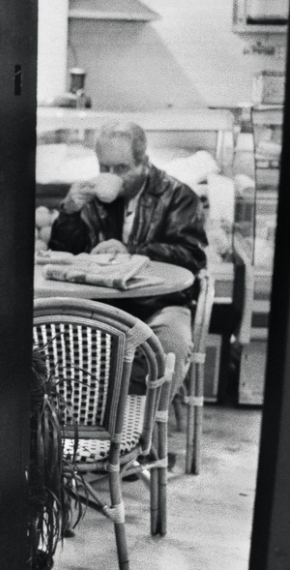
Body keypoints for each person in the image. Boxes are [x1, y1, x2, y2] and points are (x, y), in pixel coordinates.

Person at [45, 120, 208, 397]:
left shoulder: (179, 196)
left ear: (144, 162)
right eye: (104, 167)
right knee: (52, 340)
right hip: (101, 303)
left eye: (121, 168)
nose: (111, 175)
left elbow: (191, 255)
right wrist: (69, 211)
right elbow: (66, 254)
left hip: (160, 303)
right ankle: (86, 426)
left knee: (171, 345)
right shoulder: (95, 197)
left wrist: (132, 251)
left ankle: (145, 429)